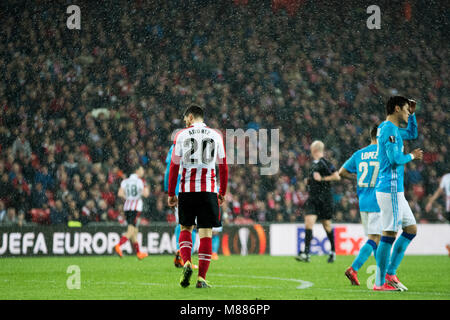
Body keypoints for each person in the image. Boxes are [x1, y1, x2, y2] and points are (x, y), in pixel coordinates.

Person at [167, 105, 228, 288]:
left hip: (187, 191)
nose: (185, 122)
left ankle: (186, 262)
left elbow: (174, 167)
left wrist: (171, 193)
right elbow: (223, 167)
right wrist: (222, 192)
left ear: (191, 117)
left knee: (185, 228)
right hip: (208, 191)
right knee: (206, 233)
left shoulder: (181, 135)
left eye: (186, 118)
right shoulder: (216, 135)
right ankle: (201, 278)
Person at [374, 96, 423, 291]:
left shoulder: (389, 129)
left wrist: (413, 114)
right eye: (405, 110)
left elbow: (412, 132)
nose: (407, 112)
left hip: (396, 191)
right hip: (390, 188)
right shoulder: (388, 129)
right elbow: (395, 159)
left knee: (411, 230)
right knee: (389, 233)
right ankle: (380, 282)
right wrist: (412, 155)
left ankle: (390, 273)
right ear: (396, 108)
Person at [339, 125, 382, 285]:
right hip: (378, 201)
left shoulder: (359, 154)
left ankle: (382, 274)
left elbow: (341, 172)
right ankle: (354, 268)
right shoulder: (383, 153)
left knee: (376, 238)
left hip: (363, 201)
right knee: (375, 238)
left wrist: (356, 179)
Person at [295, 140, 341, 263]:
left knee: (326, 225)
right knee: (308, 223)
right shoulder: (313, 164)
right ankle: (306, 253)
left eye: (311, 149)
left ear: (315, 149)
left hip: (324, 199)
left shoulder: (325, 162)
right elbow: (315, 179)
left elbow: (337, 176)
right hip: (313, 198)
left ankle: (332, 251)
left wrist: (323, 178)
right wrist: (309, 181)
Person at [164, 144, 198, 269]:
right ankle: (185, 257)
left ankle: (179, 253)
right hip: (190, 188)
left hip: (178, 190)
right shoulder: (195, 146)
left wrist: (168, 190)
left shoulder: (173, 148)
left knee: (181, 223)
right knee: (190, 226)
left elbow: (169, 169)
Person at [115, 164, 150, 260]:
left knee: (134, 231)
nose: (143, 172)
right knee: (130, 231)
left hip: (127, 207)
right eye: (142, 169)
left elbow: (120, 194)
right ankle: (118, 245)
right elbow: (146, 194)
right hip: (136, 208)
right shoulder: (140, 181)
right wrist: (142, 190)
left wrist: (129, 198)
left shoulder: (125, 181)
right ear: (137, 171)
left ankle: (138, 253)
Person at [425, 172, 450, 256]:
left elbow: (439, 191)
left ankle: (449, 244)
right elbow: (439, 191)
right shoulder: (446, 177)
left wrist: (430, 202)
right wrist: (430, 202)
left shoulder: (446, 177)